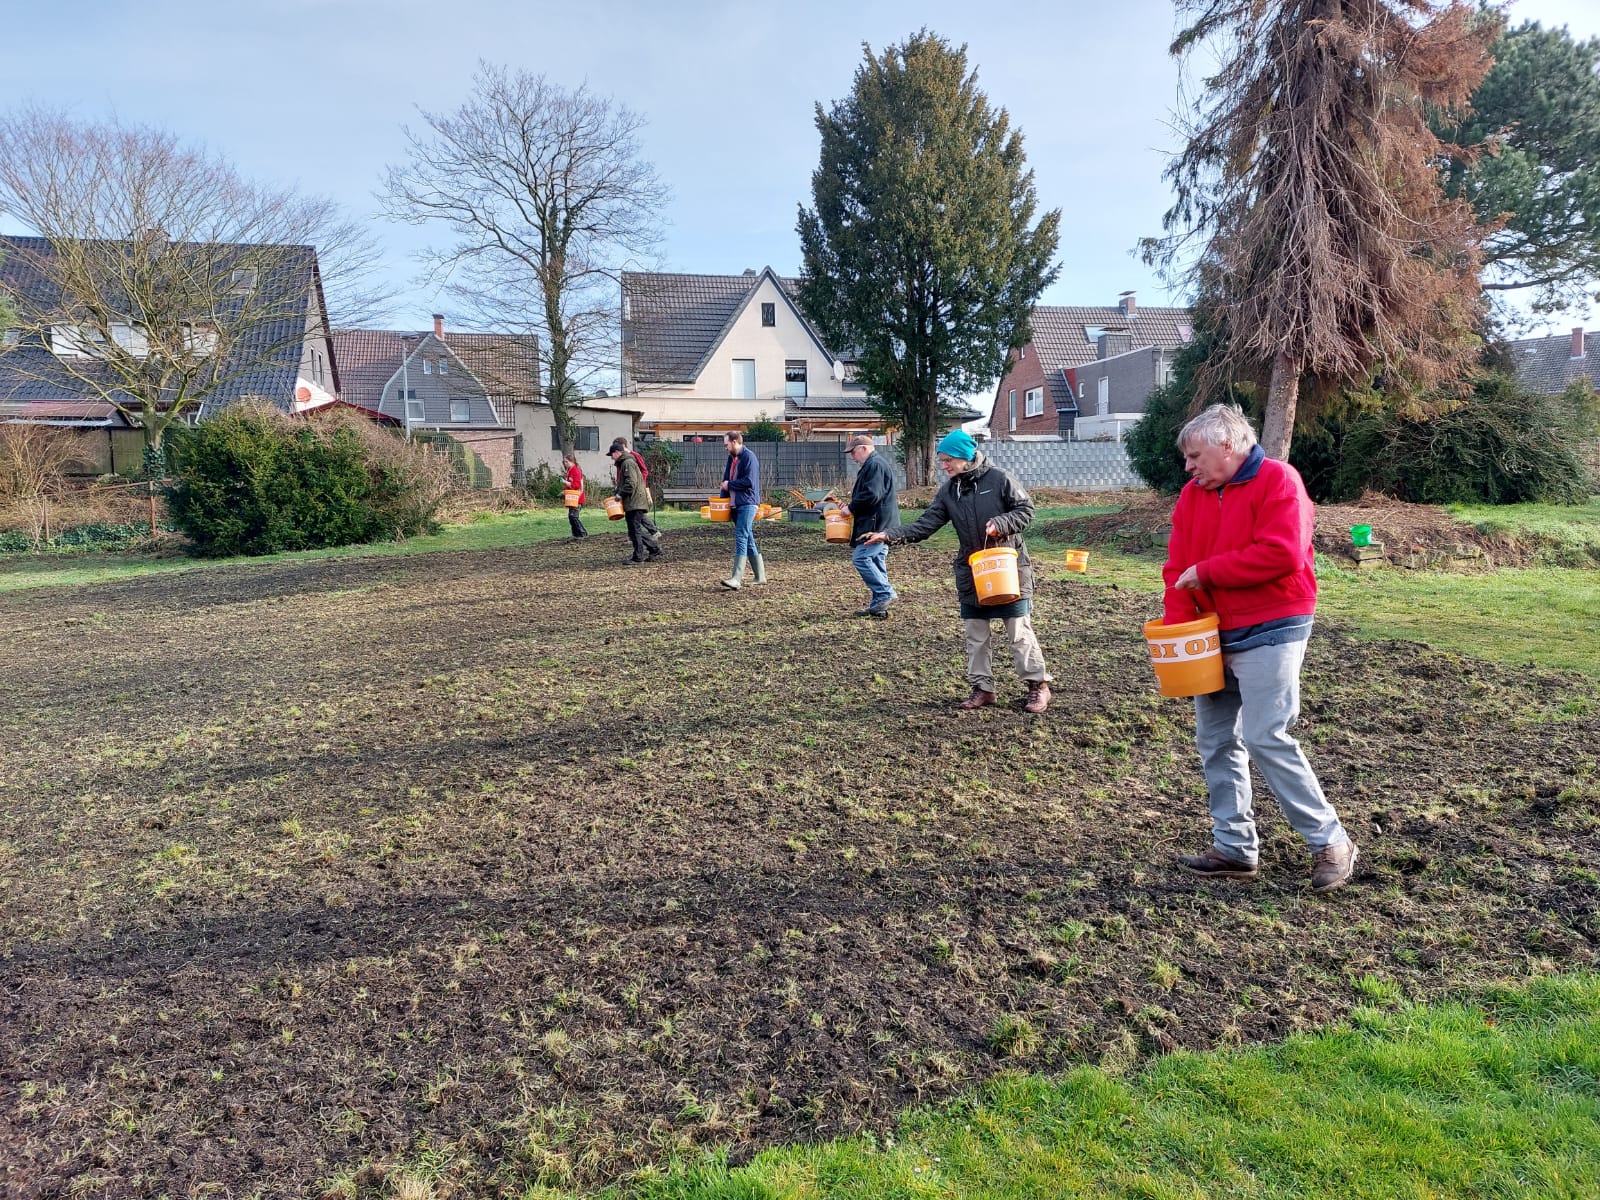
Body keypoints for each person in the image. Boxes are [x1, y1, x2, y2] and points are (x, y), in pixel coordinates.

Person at [1161, 403, 1358, 893]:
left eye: (1195, 456)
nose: (1188, 466)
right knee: (1215, 739)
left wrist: (1208, 573)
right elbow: (1177, 567)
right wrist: (1181, 632)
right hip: (1212, 631)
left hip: (1274, 622)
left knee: (1267, 735)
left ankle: (1331, 841)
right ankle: (1233, 846)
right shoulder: (1192, 496)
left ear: (1228, 446)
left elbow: (1282, 552)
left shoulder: (1280, 481)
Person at [863, 429, 1052, 713]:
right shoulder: (950, 491)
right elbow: (925, 524)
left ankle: (1038, 686)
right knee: (976, 634)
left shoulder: (999, 479)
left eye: (947, 459)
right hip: (972, 571)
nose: (943, 465)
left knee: (1018, 632)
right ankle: (983, 689)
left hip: (1006, 567)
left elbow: (1026, 510)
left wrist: (1002, 523)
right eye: (941, 460)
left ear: (965, 457)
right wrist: (888, 534)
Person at [837, 434, 899, 618]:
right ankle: (878, 606)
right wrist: (850, 506)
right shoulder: (874, 464)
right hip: (881, 522)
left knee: (862, 559)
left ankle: (885, 593)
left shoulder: (875, 465)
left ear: (864, 448)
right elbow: (869, 494)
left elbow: (872, 495)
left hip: (876, 524)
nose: (852, 457)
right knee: (876, 561)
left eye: (853, 452)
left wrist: (852, 508)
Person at [718, 431, 765, 589]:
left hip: (747, 503)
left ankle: (736, 578)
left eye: (727, 445)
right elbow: (726, 480)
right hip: (736, 504)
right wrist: (722, 499)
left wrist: (729, 485)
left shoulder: (748, 457)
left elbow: (749, 481)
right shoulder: (731, 459)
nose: (725, 448)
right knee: (748, 538)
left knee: (741, 537)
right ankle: (760, 576)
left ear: (735, 441)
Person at [607, 437, 661, 565]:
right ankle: (654, 549)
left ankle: (638, 556)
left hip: (634, 501)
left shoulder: (627, 463)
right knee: (634, 530)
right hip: (635, 500)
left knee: (634, 530)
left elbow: (630, 483)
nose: (611, 458)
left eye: (612, 455)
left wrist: (619, 494)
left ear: (617, 452)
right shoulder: (627, 462)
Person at [561, 451, 588, 540]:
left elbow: (576, 485)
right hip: (572, 497)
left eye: (566, 462)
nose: (565, 464)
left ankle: (582, 533)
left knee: (573, 516)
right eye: (564, 462)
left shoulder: (576, 471)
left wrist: (566, 483)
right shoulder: (570, 470)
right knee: (571, 516)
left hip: (577, 498)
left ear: (572, 461)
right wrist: (564, 491)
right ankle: (576, 534)